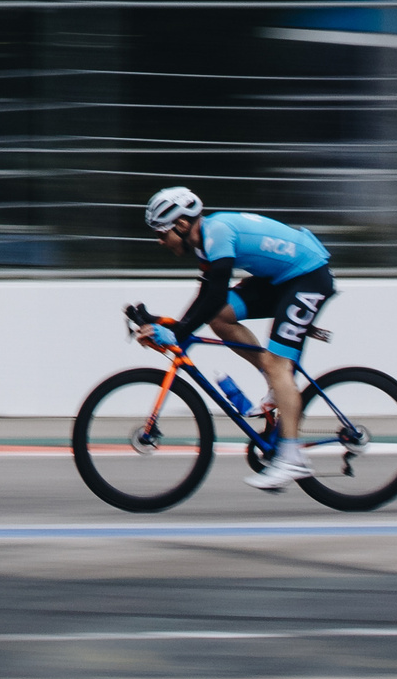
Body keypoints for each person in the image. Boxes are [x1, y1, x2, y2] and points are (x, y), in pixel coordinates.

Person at [138, 185, 336, 492]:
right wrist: (169, 324)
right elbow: (208, 299)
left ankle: (292, 457)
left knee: (278, 363)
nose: (159, 240)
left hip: (308, 276)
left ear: (181, 224)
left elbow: (216, 292)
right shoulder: (206, 243)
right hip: (282, 279)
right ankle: (274, 377)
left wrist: (177, 333)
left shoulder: (217, 233)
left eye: (161, 232)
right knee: (221, 318)